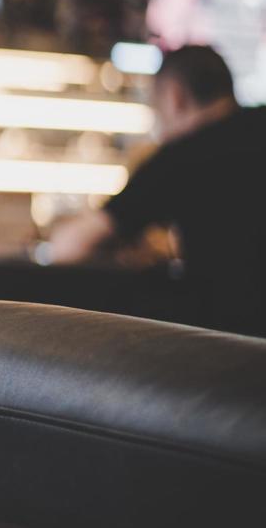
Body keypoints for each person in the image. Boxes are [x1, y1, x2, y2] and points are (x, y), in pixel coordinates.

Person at [49, 45, 266, 336]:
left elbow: (69, 246)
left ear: (174, 98)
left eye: (155, 109)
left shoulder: (184, 155)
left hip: (236, 347)